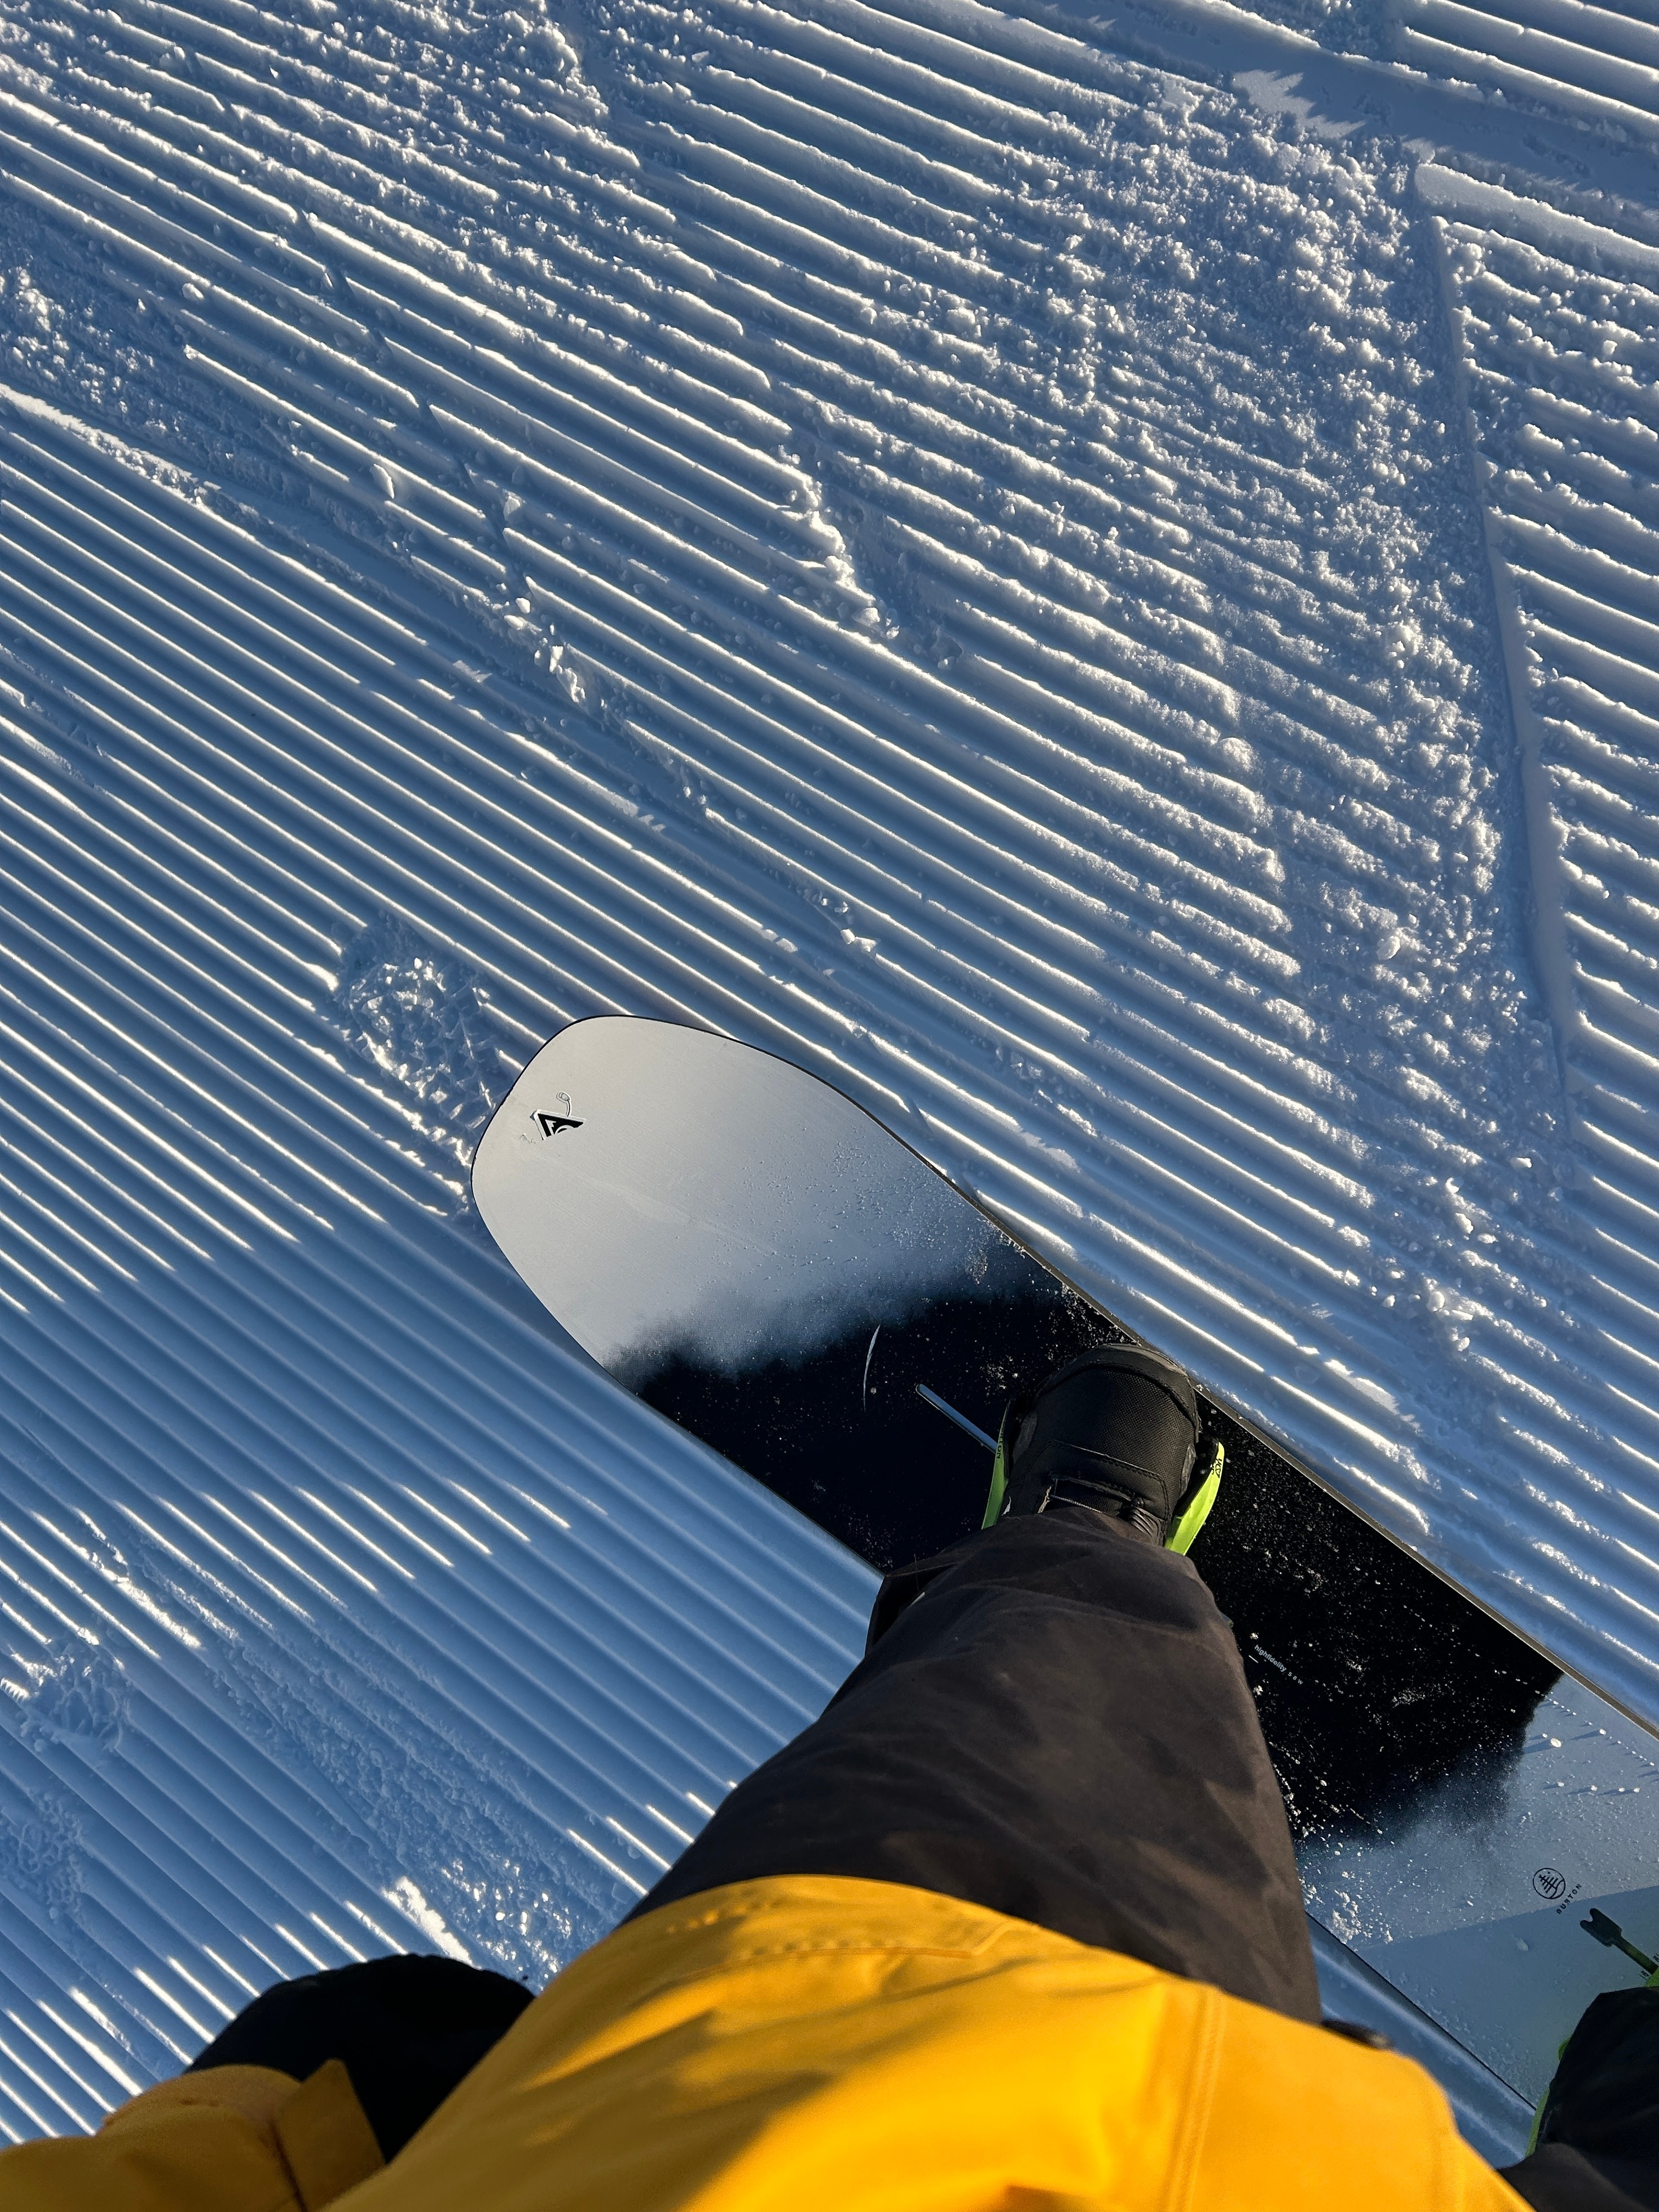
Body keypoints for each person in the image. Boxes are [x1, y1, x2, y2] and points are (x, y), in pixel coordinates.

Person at [5, 1348, 1655, 2210]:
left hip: (737, 2131)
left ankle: (1074, 1537)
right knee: (1050, 1715)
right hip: (963, 2065)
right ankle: (1081, 1533)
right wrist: (310, 2113)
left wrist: (302, 2140)